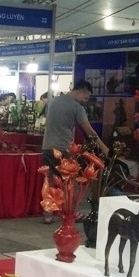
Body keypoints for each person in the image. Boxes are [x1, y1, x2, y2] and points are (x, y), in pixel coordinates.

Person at [41, 80, 109, 224]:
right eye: (85, 97)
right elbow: (90, 132)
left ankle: (48, 214)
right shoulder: (77, 108)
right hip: (63, 149)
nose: (85, 101)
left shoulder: (53, 102)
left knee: (50, 180)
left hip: (47, 146)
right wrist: (104, 148)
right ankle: (70, 212)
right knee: (71, 182)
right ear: (79, 92)